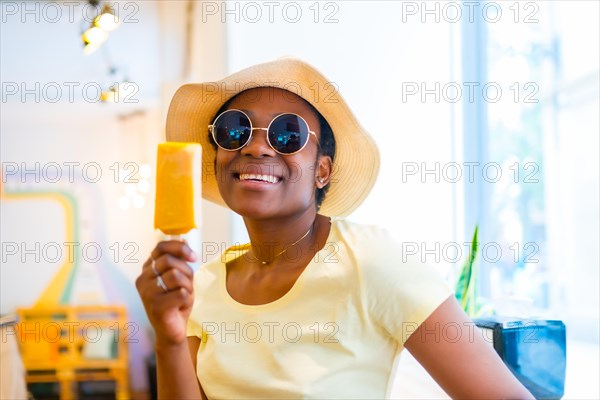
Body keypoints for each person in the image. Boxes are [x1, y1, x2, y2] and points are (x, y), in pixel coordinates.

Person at [136, 58, 534, 399]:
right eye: (234, 130)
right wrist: (169, 336)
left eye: (286, 134)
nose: (256, 147)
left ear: (322, 171)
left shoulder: (370, 261)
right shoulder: (201, 286)